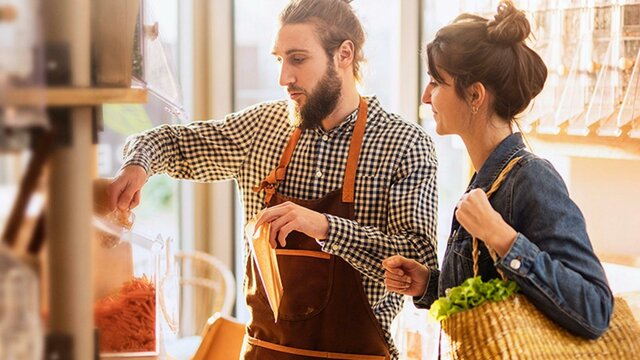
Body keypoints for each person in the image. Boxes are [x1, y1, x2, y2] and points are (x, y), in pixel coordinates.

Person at [107, 0, 438, 358]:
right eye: (279, 59)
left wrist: (326, 227)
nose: (284, 78)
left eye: (297, 59)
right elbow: (168, 142)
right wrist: (138, 165)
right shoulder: (260, 128)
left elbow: (417, 259)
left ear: (344, 54)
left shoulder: (405, 143)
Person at [383, 0, 612, 340]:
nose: (425, 96)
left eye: (436, 82)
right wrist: (428, 284)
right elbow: (496, 300)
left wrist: (503, 239)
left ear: (475, 95)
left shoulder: (531, 178)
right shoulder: (484, 180)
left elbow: (595, 309)